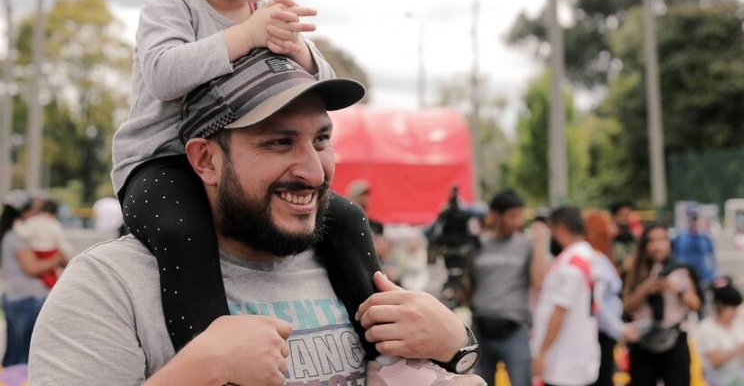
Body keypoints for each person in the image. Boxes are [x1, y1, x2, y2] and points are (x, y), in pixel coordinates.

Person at [107, 0, 445, 381]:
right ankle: (216, 359)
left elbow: (317, 87)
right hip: (162, 165)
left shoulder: (265, 11)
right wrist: (247, 36)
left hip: (239, 173)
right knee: (183, 231)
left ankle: (386, 350)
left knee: (349, 218)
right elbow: (163, 74)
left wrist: (301, 53)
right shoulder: (173, 2)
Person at [30, 48, 486, 385]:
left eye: (322, 141)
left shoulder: (354, 272)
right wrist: (194, 373)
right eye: (278, 143)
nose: (313, 170)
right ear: (206, 160)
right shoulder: (111, 288)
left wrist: (456, 347)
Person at [464, 188, 548, 386]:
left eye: (519, 215)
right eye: (512, 216)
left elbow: (538, 282)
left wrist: (539, 245)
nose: (517, 222)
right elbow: (469, 285)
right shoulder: (477, 246)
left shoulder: (526, 246)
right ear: (495, 215)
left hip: (514, 333)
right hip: (481, 331)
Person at [622, 223, 703, 386]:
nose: (657, 246)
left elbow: (695, 304)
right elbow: (626, 306)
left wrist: (676, 289)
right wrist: (644, 289)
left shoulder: (681, 270)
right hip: (642, 340)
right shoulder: (635, 271)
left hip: (674, 339)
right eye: (651, 241)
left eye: (661, 240)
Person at [532, 205, 601, 386]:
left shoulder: (573, 262)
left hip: (565, 362)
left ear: (561, 229)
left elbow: (560, 311)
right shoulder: (589, 256)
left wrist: (542, 352)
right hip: (578, 355)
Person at [0, 190, 66, 367]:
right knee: (23, 357)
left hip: (15, 297)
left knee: (14, 354)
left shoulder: (10, 235)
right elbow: (32, 268)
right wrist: (57, 258)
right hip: (27, 299)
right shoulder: (16, 238)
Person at [583, 210, 640, 386]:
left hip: (608, 333)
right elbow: (598, 303)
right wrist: (619, 329)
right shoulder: (593, 260)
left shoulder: (602, 257)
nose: (613, 232)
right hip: (600, 334)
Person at [693, 277, 744, 386]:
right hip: (717, 379)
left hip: (743, 376)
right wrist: (742, 348)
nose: (735, 312)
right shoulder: (706, 328)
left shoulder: (740, 325)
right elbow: (714, 360)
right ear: (719, 306)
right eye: (732, 308)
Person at [13, 198, 71, 289]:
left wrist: (17, 223)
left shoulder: (33, 221)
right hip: (51, 252)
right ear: (56, 213)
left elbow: (22, 232)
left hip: (35, 252)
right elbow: (62, 242)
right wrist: (67, 256)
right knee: (51, 277)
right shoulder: (54, 224)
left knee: (41, 275)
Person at [672, 205, 717, 292]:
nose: (693, 221)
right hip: (684, 277)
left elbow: (712, 258)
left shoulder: (705, 238)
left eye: (695, 218)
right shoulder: (680, 237)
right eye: (691, 218)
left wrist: (712, 274)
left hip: (703, 277)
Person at [609, 199, 637, 278]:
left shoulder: (637, 240)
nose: (626, 219)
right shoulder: (609, 241)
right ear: (614, 217)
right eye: (622, 215)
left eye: (628, 215)